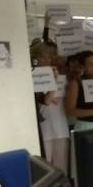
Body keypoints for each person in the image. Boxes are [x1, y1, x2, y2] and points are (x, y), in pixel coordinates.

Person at [31, 42, 69, 171]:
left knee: (61, 168)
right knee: (45, 167)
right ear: (35, 59)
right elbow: (47, 100)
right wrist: (54, 81)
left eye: (49, 56)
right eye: (44, 56)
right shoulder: (31, 75)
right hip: (44, 128)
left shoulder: (59, 72)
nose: (48, 59)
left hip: (60, 127)